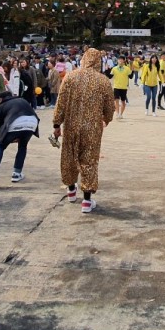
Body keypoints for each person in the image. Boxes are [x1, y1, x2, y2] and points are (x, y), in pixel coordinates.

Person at [51, 48, 115, 214]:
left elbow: (61, 102)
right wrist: (106, 119)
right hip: (92, 127)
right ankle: (86, 200)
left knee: (69, 157)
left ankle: (71, 190)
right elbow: (110, 106)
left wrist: (57, 124)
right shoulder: (103, 81)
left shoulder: (70, 77)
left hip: (71, 125)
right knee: (89, 160)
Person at [0, 90, 40, 185]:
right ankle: (17, 173)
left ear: (0, 99)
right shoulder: (22, 100)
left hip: (15, 122)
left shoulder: (1, 106)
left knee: (0, 146)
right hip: (32, 123)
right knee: (22, 146)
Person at [110, 54, 133, 119]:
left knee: (123, 101)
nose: (120, 61)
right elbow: (110, 76)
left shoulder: (127, 68)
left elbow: (131, 77)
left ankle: (121, 114)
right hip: (116, 86)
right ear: (117, 60)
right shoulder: (114, 68)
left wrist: (133, 71)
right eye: (119, 59)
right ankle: (117, 113)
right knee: (116, 100)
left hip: (124, 87)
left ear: (124, 61)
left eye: (121, 59)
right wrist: (107, 70)